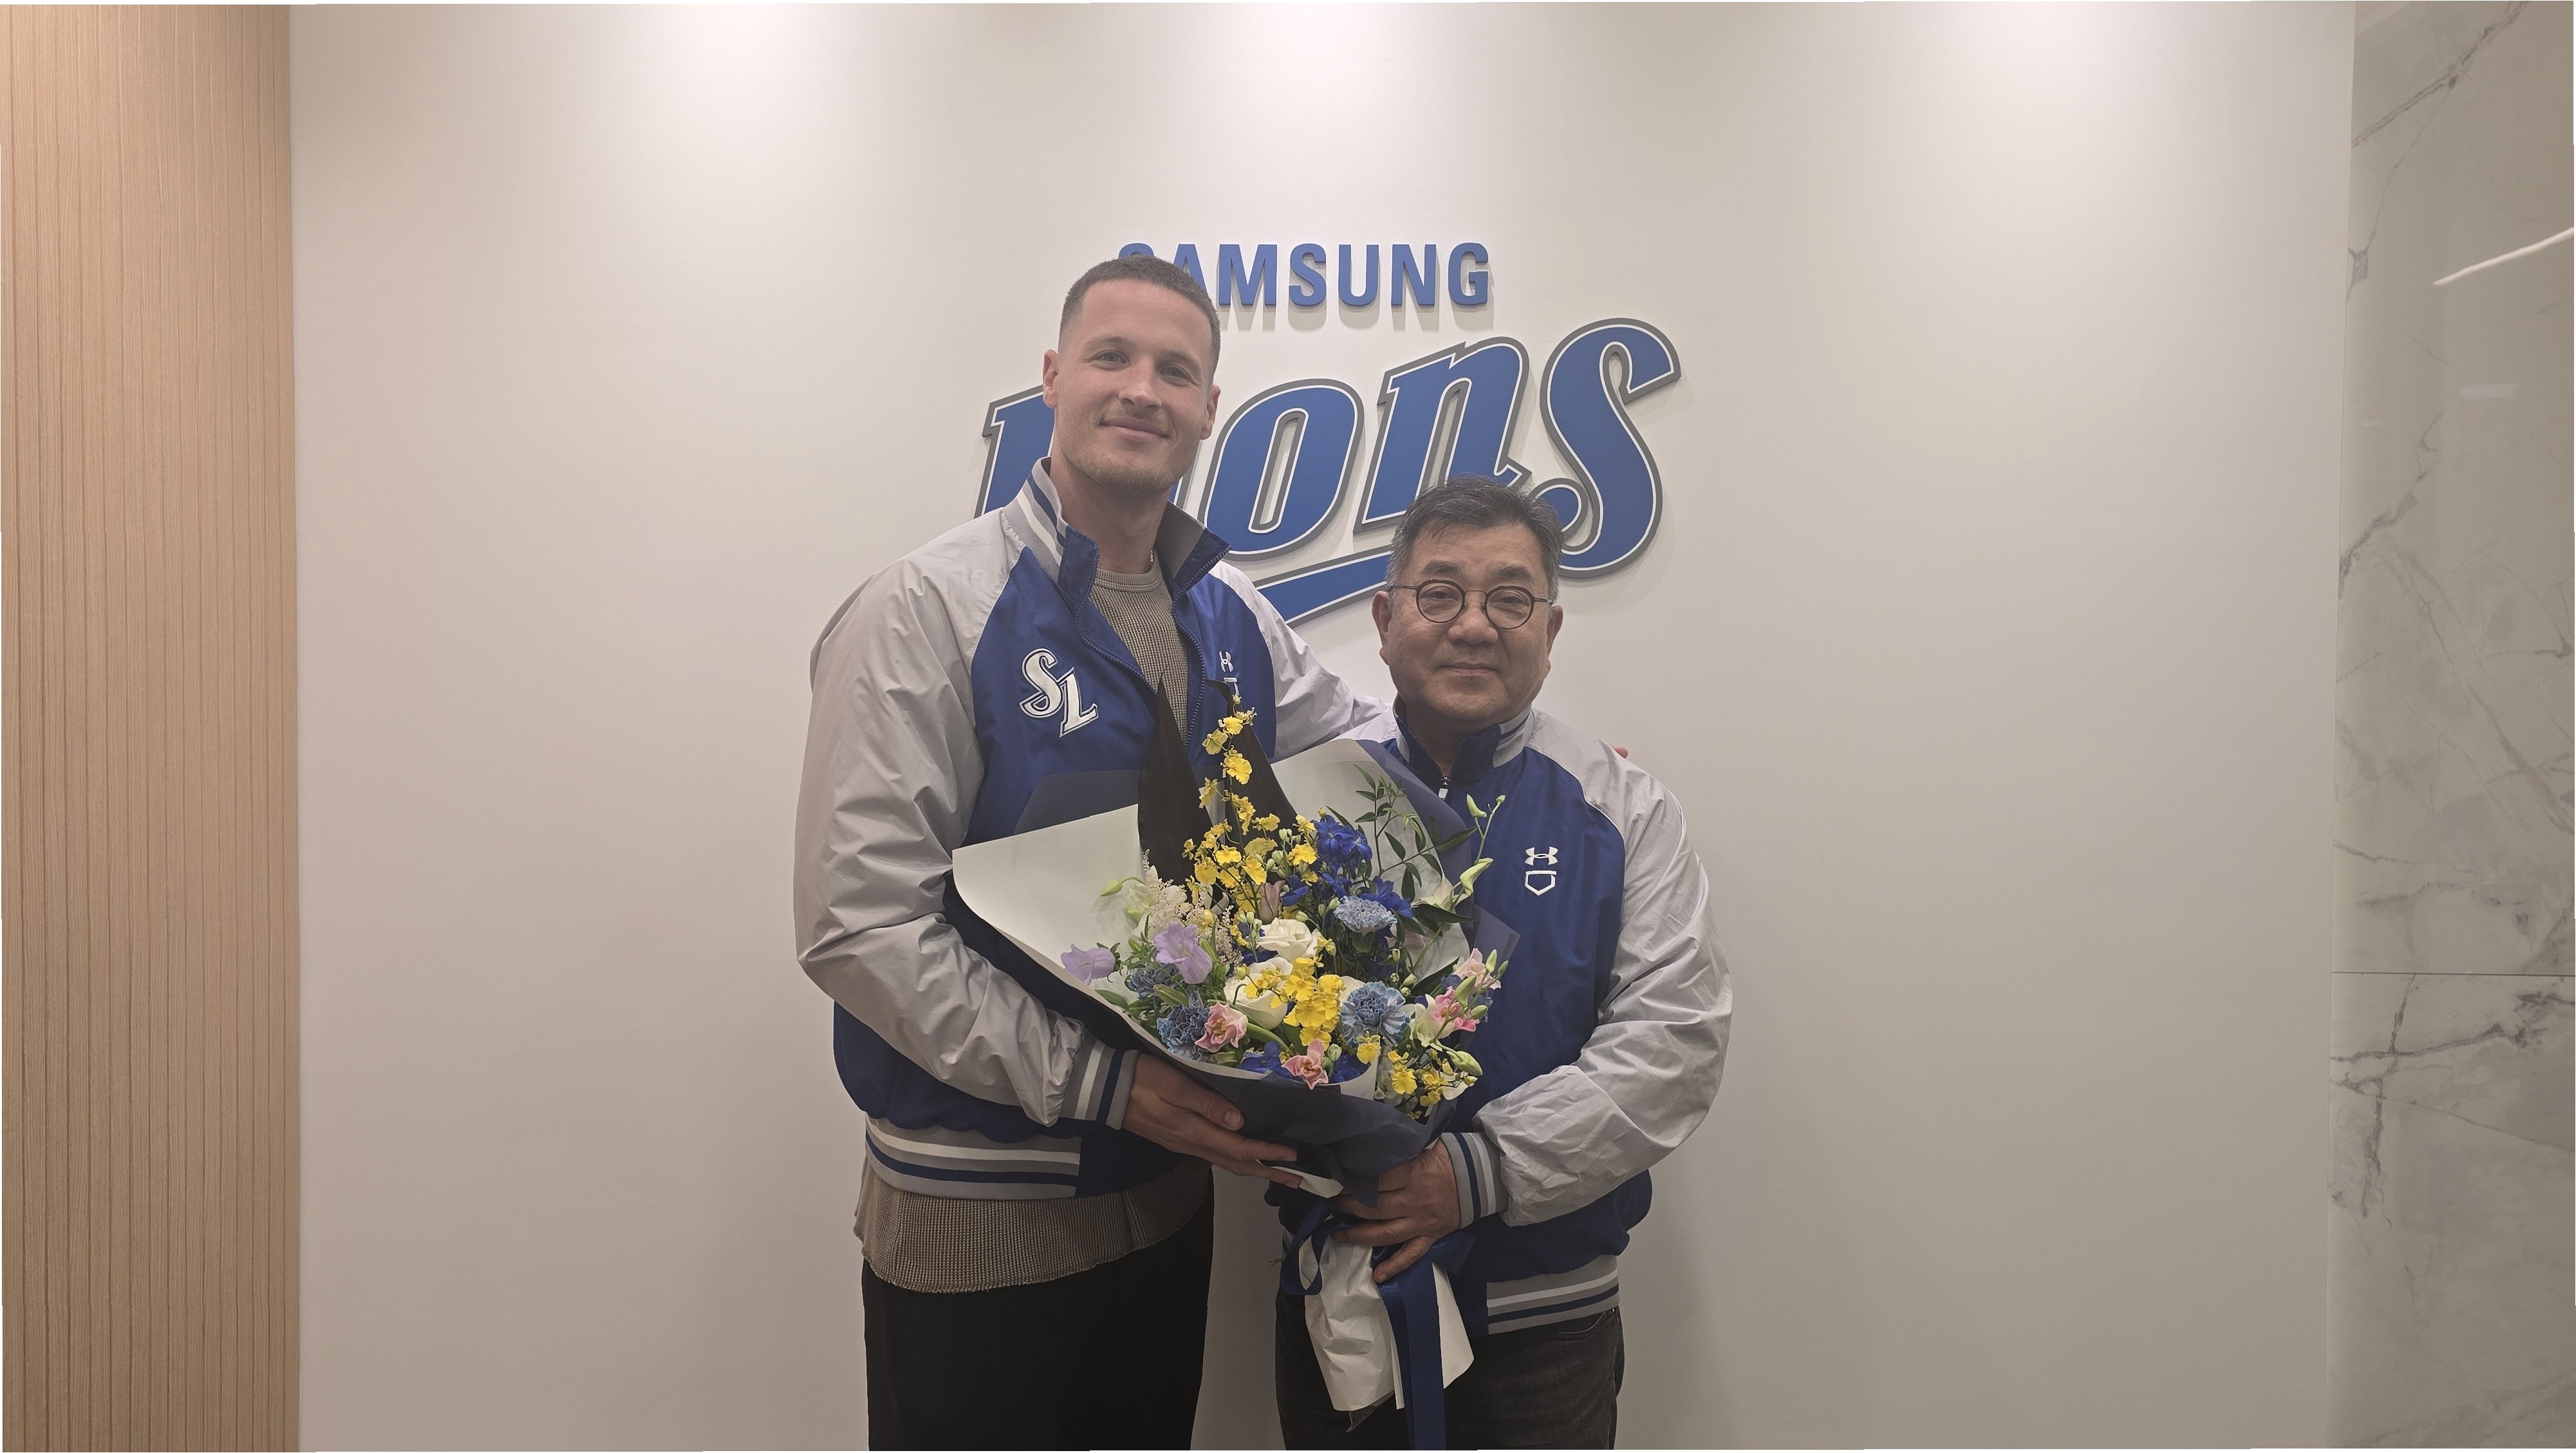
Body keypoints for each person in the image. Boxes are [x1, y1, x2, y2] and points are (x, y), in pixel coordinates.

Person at [794, 255, 1376, 1449]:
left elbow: (1362, 751)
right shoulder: (928, 606)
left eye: (1176, 369)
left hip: (1162, 1203)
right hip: (977, 1212)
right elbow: (859, 924)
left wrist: (1539, 762)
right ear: (1053, 377)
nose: (1141, 389)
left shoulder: (1226, 611)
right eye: (1112, 356)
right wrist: (1103, 1084)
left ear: (1210, 407)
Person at [1271, 477, 1732, 1449]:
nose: (1473, 625)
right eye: (1440, 593)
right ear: (1385, 619)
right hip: (1345, 1294)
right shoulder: (1307, 799)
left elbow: (1673, 1042)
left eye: (1509, 599)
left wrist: (1475, 1172)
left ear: (1550, 630)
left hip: (1545, 1316)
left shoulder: (1624, 807)